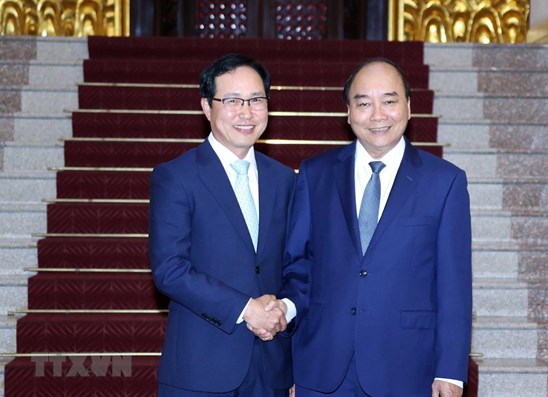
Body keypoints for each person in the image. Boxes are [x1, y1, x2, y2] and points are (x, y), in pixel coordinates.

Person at [274, 58, 473, 397]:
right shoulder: (315, 174)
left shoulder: (445, 182)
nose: (377, 115)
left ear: (409, 107)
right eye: (364, 103)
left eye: (390, 101)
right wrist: (289, 354)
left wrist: (451, 372)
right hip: (320, 369)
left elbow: (453, 285)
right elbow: (298, 265)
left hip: (406, 369)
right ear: (348, 113)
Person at [149, 53, 295, 397]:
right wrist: (246, 310)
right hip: (201, 368)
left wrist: (284, 310)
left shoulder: (286, 180)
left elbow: (297, 265)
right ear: (206, 106)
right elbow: (169, 269)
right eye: (232, 101)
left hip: (272, 366)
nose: (246, 112)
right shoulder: (176, 176)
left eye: (257, 100)